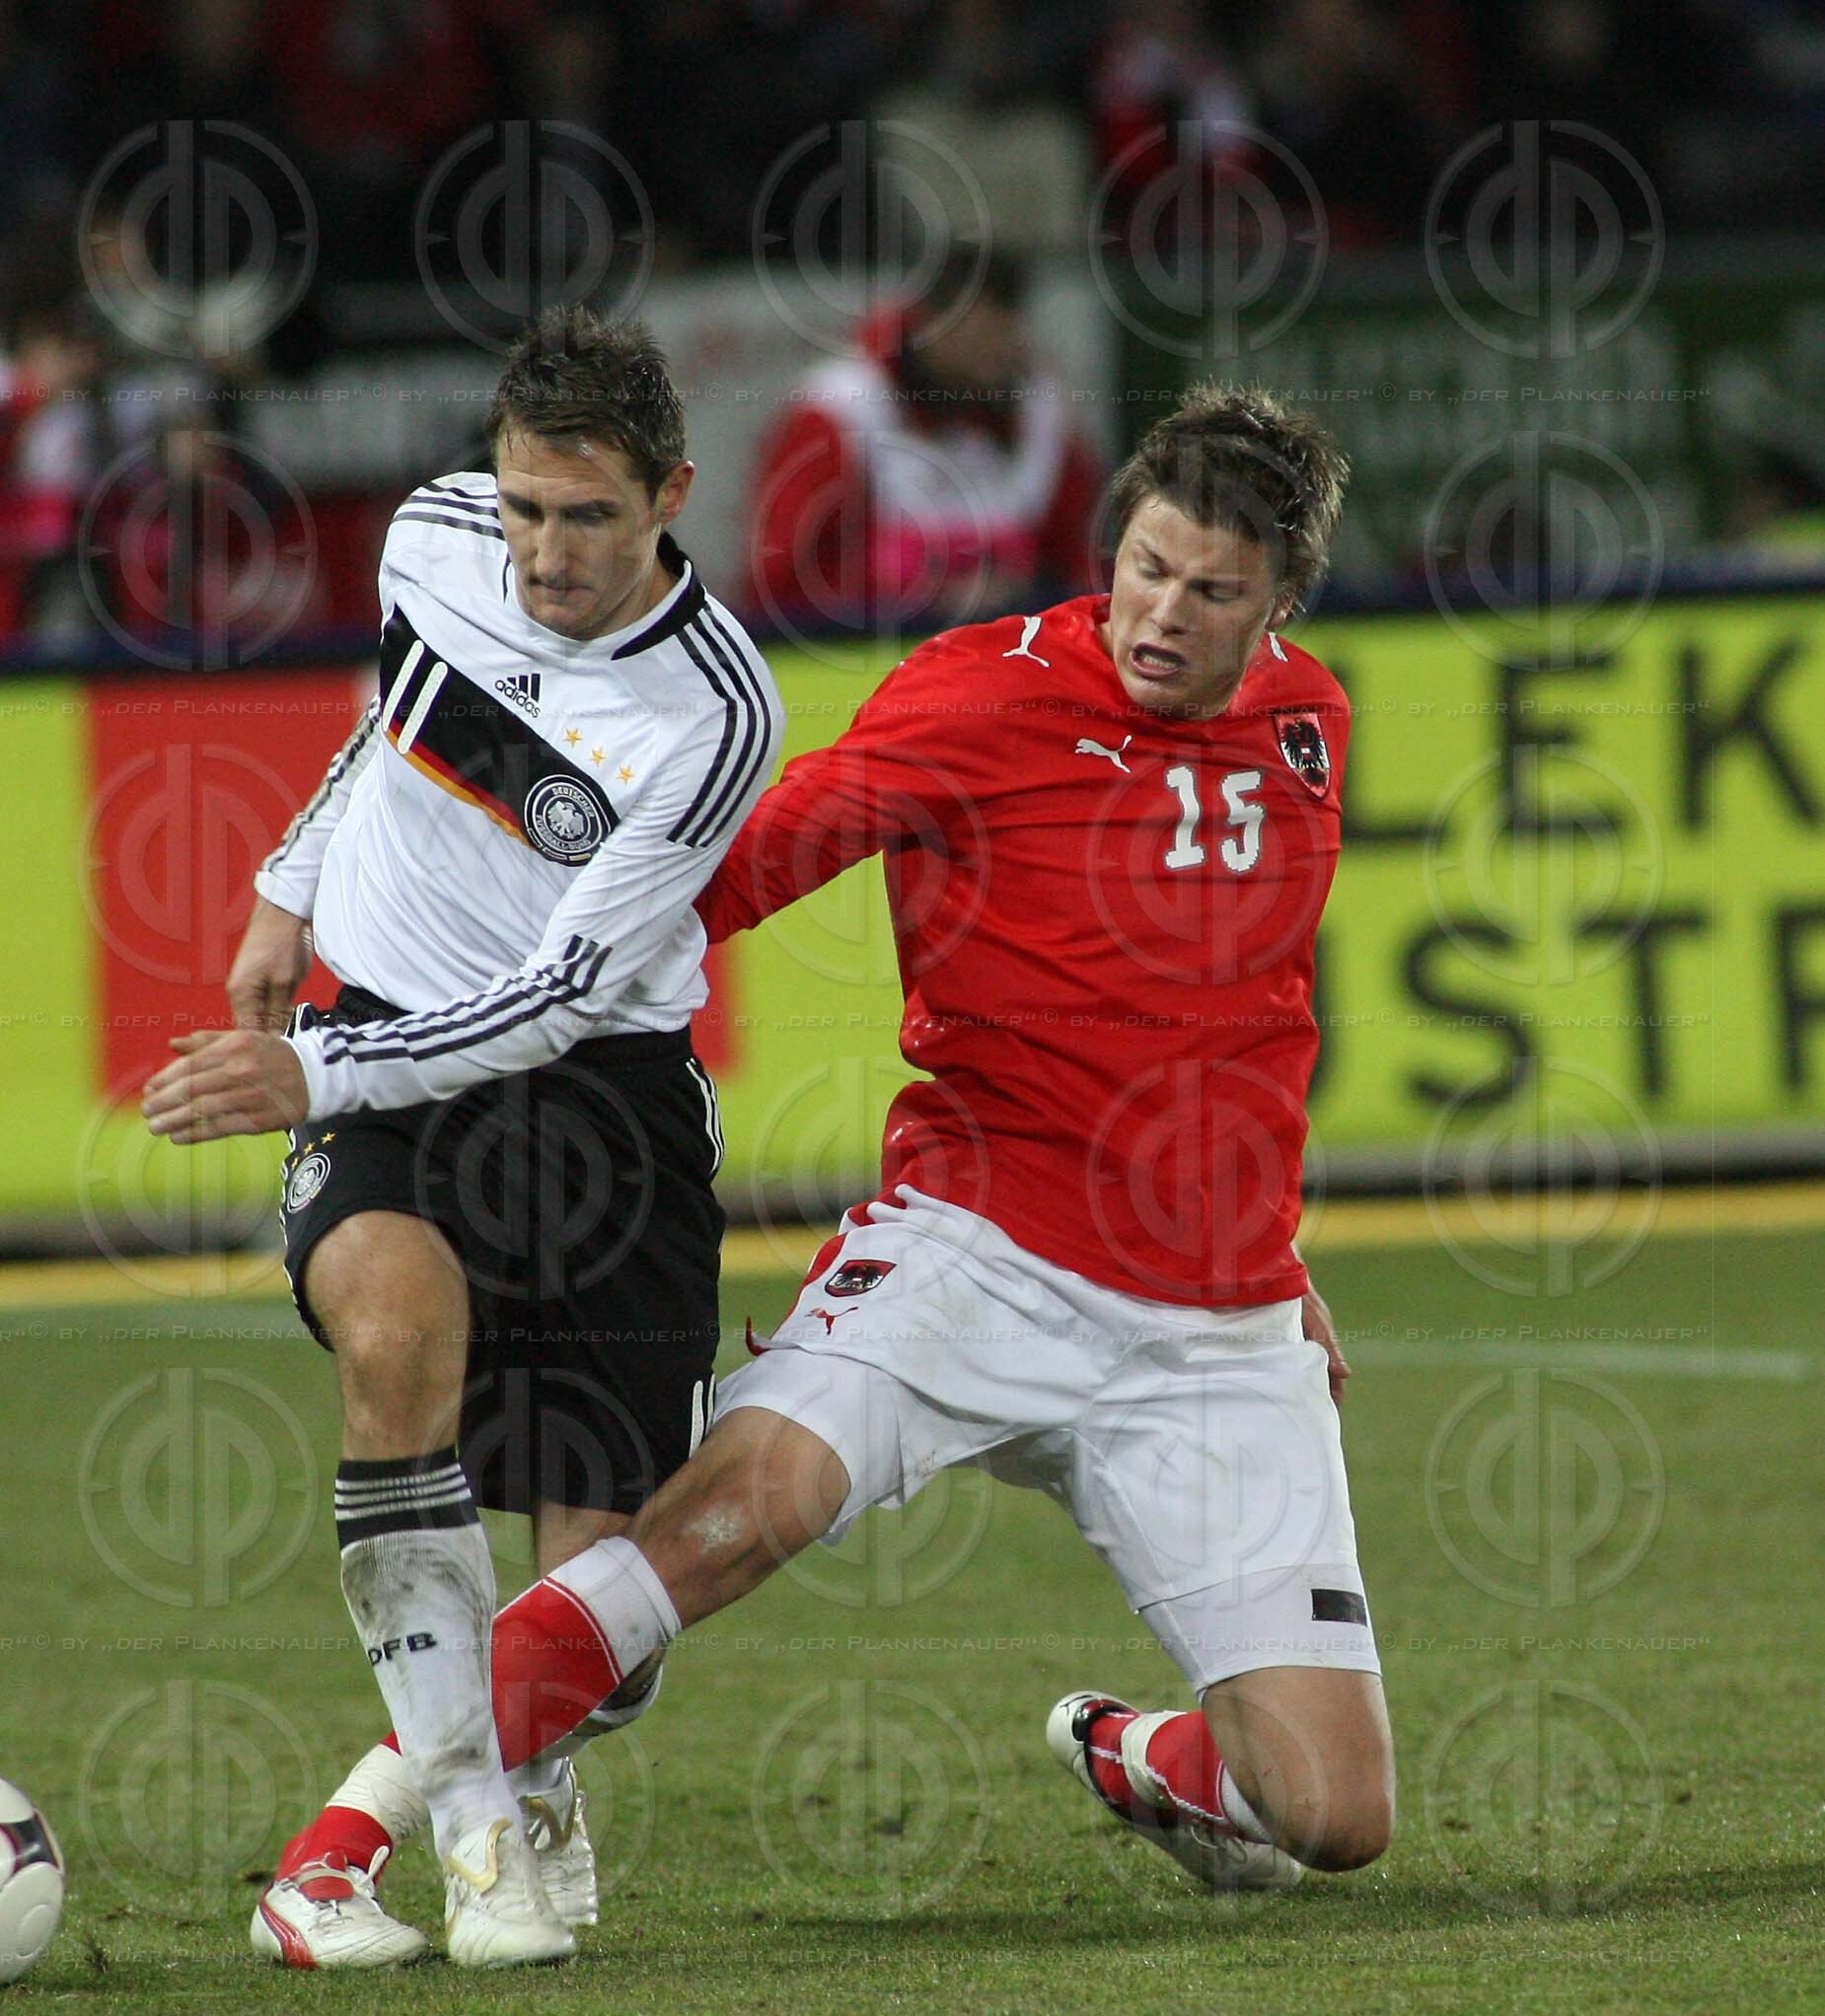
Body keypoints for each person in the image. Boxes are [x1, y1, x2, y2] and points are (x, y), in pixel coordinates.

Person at [268, 379, 1391, 1922]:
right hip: (975, 1251)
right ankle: (348, 1839)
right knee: (716, 1529)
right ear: (1109, 543)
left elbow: (1236, 1017)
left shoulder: (1311, 728)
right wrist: (453, 1013)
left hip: (1214, 1323)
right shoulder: (976, 698)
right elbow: (717, 882)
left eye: (1211, 593)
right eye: (1143, 566)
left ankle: (1147, 1753)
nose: (1161, 614)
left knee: (1332, 1819)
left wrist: (1278, 1247)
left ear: (1279, 608)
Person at [141, 307, 783, 1969]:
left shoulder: (712, 716)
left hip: (599, 1106)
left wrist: (308, 1086)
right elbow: (396, 709)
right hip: (381, 1053)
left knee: (605, 1629)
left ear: (668, 499)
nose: (542, 552)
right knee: (393, 1346)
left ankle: (533, 1778)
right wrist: (295, 880)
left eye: (584, 517)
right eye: (522, 507)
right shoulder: (431, 538)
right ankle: (472, 1837)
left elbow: (568, 990)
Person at [747, 245, 1102, 638]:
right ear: (930, 323)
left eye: (1007, 327)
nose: (1000, 347)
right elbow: (781, 583)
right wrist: (922, 599)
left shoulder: (1041, 416)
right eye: (982, 331)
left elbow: (1077, 562)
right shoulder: (838, 412)